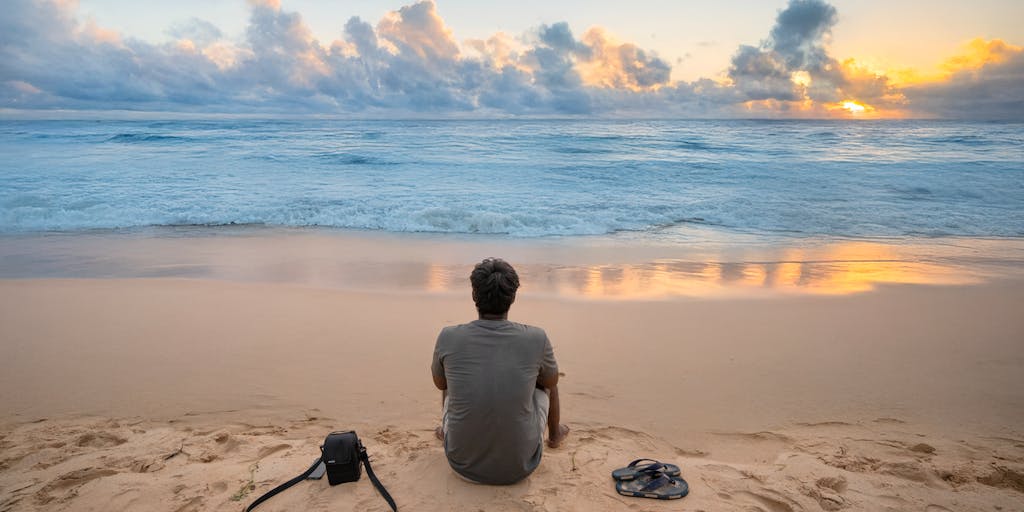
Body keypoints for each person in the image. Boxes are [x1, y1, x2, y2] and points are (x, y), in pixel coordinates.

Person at [431, 257, 570, 485]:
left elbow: (440, 384)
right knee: (547, 380)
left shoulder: (449, 336)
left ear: (474, 295)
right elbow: (551, 380)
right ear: (513, 297)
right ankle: (554, 435)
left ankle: (449, 432)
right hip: (521, 467)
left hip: (461, 464)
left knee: (450, 378)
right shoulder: (536, 337)